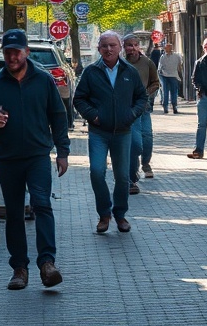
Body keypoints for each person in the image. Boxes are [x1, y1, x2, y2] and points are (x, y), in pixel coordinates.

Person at [0, 28, 69, 291]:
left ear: (26, 52)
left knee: (42, 206)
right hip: (8, 158)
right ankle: (19, 268)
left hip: (38, 155)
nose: (12, 57)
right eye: (8, 52)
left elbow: (58, 117)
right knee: (14, 214)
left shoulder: (43, 80)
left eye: (17, 52)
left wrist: (62, 151)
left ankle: (47, 263)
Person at [73, 30, 147, 235]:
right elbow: (79, 99)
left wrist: (131, 115)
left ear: (119, 47)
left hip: (123, 132)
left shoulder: (129, 71)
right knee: (97, 172)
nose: (108, 49)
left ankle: (120, 214)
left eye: (112, 45)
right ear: (98, 49)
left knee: (123, 177)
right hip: (99, 132)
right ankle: (104, 214)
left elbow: (142, 97)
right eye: (104, 46)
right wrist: (93, 116)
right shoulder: (91, 72)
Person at [123, 34, 159, 191]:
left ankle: (146, 163)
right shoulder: (120, 64)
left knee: (148, 138)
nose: (132, 48)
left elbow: (155, 82)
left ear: (139, 46)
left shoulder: (147, 63)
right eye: (129, 45)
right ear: (124, 47)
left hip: (144, 107)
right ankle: (132, 174)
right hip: (130, 111)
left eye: (135, 45)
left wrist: (146, 94)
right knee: (136, 143)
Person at [157, 43, 184, 115]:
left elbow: (179, 66)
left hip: (173, 75)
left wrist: (180, 75)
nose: (166, 49)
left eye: (167, 48)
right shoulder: (163, 57)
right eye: (165, 48)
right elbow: (160, 68)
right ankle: (165, 107)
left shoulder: (176, 56)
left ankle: (174, 106)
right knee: (165, 91)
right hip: (164, 75)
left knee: (174, 92)